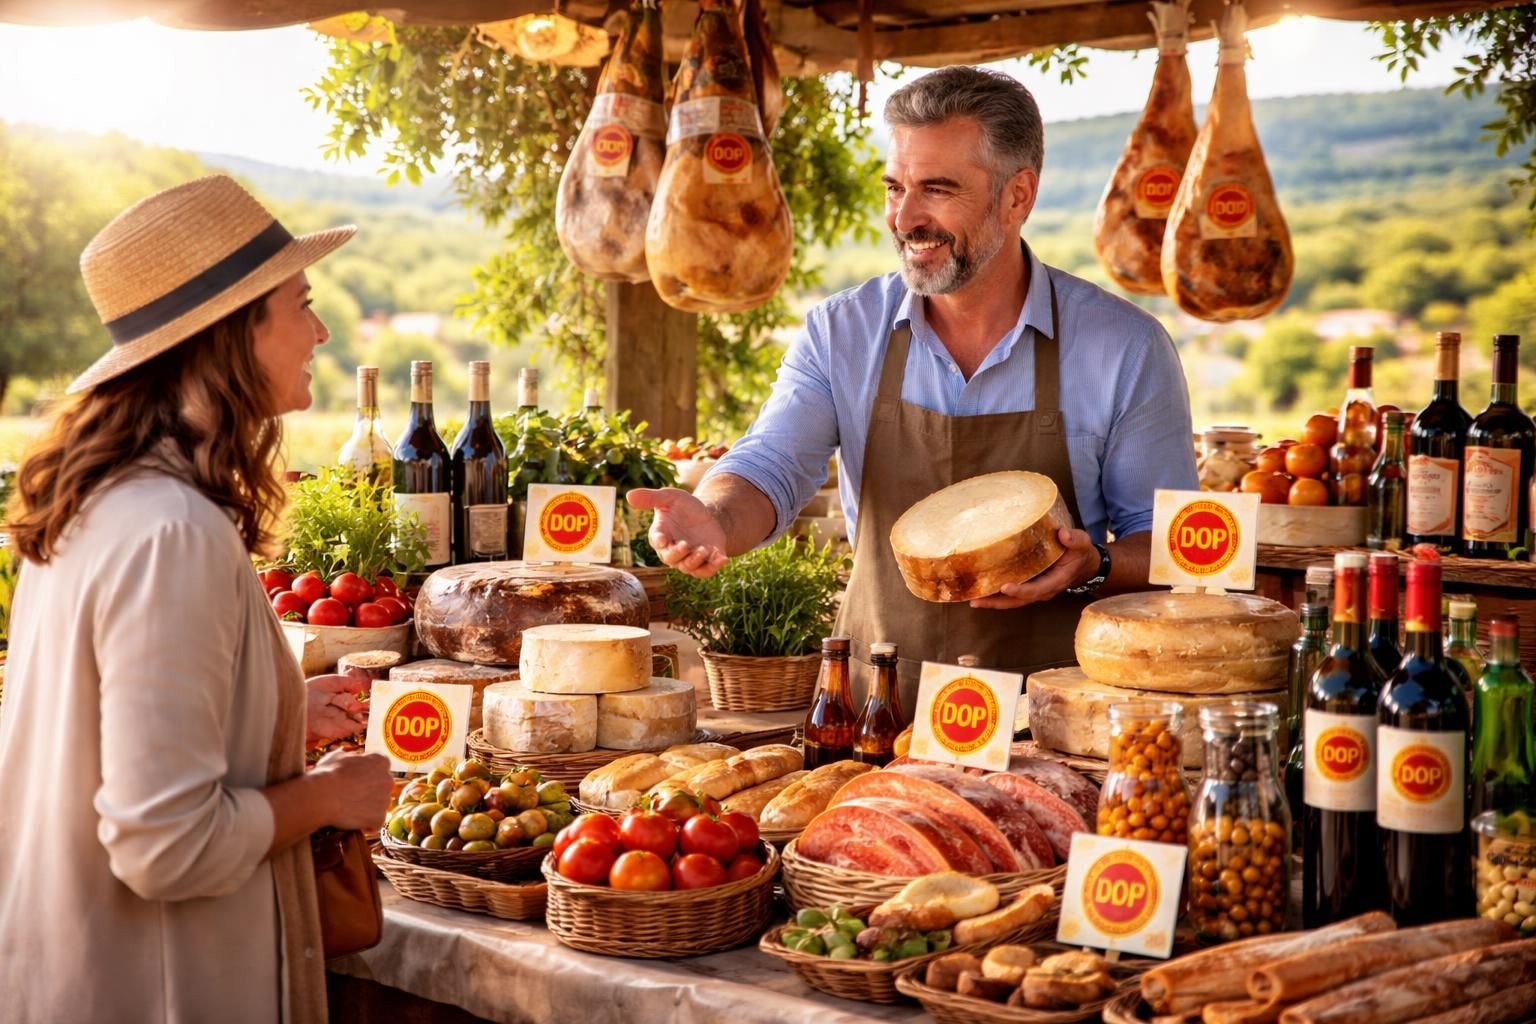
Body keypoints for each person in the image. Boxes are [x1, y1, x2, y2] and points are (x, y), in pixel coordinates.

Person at [629, 66, 1198, 708]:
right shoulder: (841, 331)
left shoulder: (1126, 347)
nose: (904, 217)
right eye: (895, 187)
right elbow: (772, 465)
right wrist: (717, 517)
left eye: (937, 189)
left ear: (1018, 197)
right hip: (877, 708)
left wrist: (1093, 565)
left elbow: (1173, 546)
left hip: (1060, 723)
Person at [0, 175, 394, 1024]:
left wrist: (280, 716)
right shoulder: (171, 532)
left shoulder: (101, 503)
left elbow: (117, 744)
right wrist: (330, 796)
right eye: (301, 303)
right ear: (232, 330)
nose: (319, 331)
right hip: (155, 987)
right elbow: (166, 848)